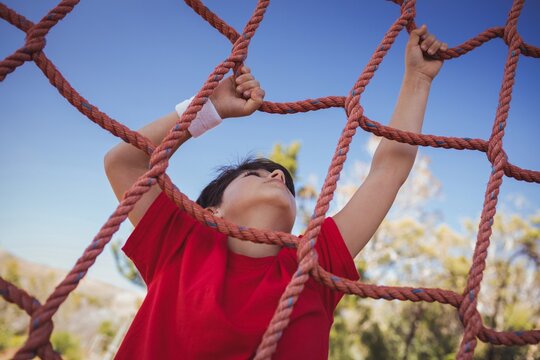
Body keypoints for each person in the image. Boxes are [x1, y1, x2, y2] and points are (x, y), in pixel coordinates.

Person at [104, 25, 447, 359]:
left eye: (281, 176)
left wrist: (417, 80)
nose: (277, 175)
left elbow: (387, 173)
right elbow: (124, 162)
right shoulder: (182, 245)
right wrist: (210, 108)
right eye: (256, 173)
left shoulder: (313, 266)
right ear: (211, 213)